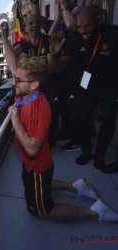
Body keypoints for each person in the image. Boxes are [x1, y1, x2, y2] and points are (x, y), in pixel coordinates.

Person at [8, 56, 118, 221]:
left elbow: (32, 149)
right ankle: (74, 186)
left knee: (41, 211)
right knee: (35, 182)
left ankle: (96, 212)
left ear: (34, 84)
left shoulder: (38, 110)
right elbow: (12, 63)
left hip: (37, 166)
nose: (13, 83)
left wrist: (15, 121)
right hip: (36, 165)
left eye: (17, 80)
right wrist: (3, 37)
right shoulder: (24, 93)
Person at [49, 6, 118, 171]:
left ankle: (100, 153)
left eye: (86, 26)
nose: (82, 31)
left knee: (108, 120)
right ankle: (87, 151)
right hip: (86, 84)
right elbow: (59, 68)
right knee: (82, 119)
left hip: (110, 85)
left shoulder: (114, 34)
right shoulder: (75, 39)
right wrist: (53, 54)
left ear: (98, 21)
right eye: (79, 27)